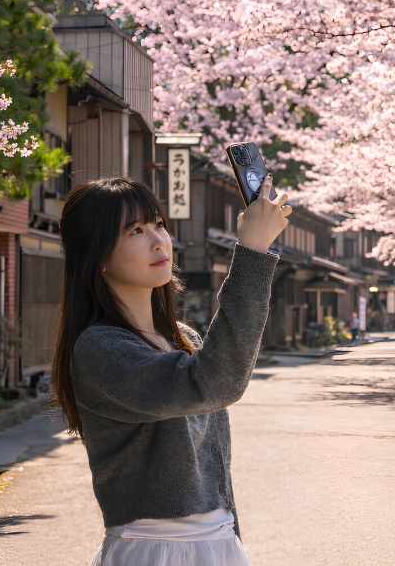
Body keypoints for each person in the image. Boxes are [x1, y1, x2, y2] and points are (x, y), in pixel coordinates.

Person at [50, 175, 290, 566]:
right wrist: (251, 252)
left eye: (158, 224)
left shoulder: (186, 340)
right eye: (135, 230)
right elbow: (214, 383)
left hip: (221, 545)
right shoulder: (100, 349)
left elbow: (212, 466)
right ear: (97, 256)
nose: (159, 240)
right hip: (153, 550)